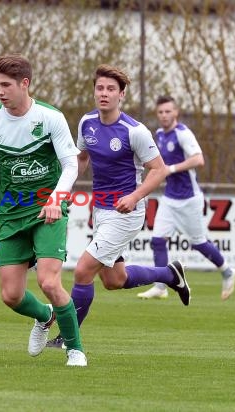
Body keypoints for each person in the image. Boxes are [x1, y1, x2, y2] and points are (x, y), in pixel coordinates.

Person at [47, 65, 190, 351]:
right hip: (101, 210)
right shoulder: (86, 122)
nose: (104, 93)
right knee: (114, 279)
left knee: (83, 271)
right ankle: (170, 274)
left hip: (126, 213)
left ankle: (67, 337)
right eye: (100, 88)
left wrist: (135, 196)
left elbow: (158, 170)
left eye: (111, 89)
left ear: (121, 95)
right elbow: (82, 159)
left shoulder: (135, 131)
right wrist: (64, 188)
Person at [0, 54, 86, 366]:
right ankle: (44, 316)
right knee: (10, 296)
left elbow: (71, 164)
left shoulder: (50, 117)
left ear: (25, 83)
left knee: (49, 282)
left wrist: (56, 199)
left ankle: (75, 349)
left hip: (47, 209)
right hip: (10, 213)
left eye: (6, 84)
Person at [137, 95, 235, 301]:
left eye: (168, 111)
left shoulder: (183, 134)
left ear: (176, 112)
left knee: (199, 242)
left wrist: (170, 169)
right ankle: (160, 286)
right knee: (157, 240)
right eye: (160, 112)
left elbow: (198, 159)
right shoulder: (159, 134)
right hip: (169, 198)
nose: (164, 115)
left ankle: (228, 271)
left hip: (189, 198)